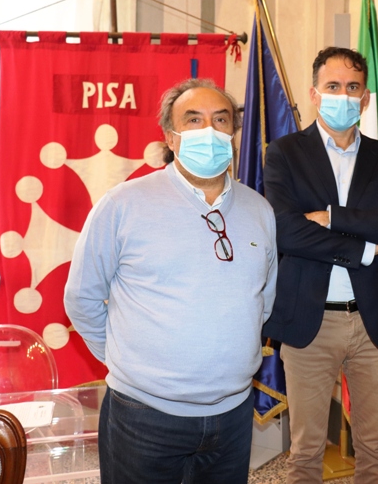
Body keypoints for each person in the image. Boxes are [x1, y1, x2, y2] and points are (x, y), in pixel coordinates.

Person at [64, 79, 278, 484]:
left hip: (233, 415)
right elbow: (82, 298)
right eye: (193, 120)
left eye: (221, 120)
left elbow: (262, 301)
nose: (209, 131)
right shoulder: (123, 204)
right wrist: (129, 364)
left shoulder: (260, 210)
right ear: (169, 136)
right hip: (144, 416)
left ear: (234, 133)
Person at [263, 47, 378, 483]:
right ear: (314, 94)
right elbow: (286, 231)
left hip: (373, 322)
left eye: (353, 87)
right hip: (309, 322)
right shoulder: (285, 153)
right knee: (305, 452)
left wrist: (331, 217)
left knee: (375, 450)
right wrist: (367, 246)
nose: (343, 95)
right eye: (332, 86)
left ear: (365, 99)